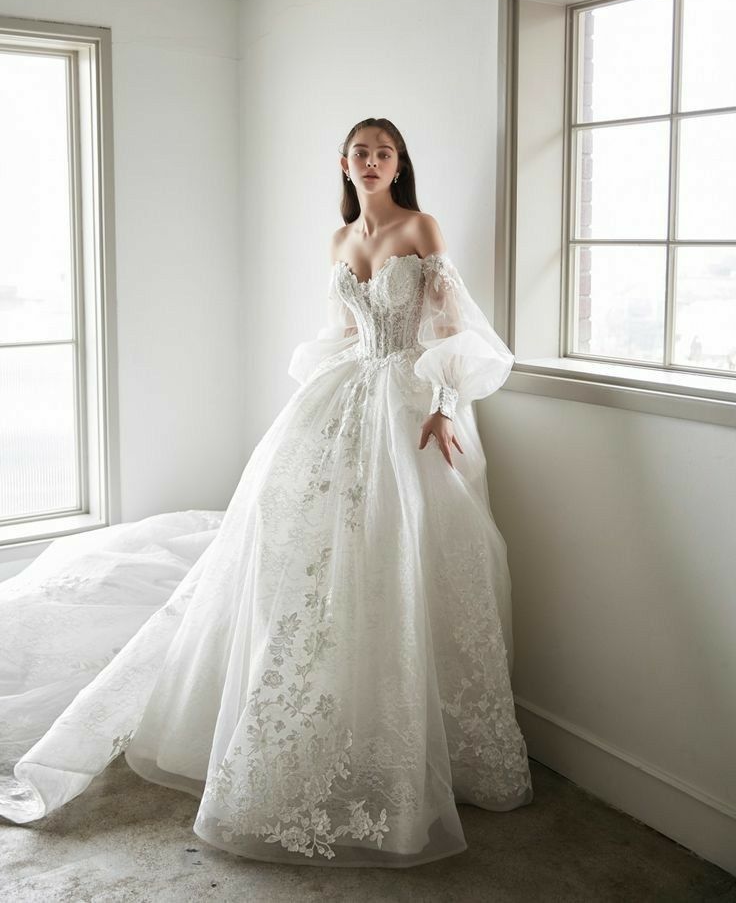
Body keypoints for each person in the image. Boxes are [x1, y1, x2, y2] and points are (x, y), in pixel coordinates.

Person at [0, 117, 533, 867]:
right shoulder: (340, 239)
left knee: (402, 560)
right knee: (302, 560)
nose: (373, 161)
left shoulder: (422, 226)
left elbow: (452, 325)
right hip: (346, 398)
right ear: (344, 164)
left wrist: (444, 406)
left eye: (385, 152)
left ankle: (420, 742)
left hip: (407, 407)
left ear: (399, 162)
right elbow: (346, 332)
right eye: (361, 152)